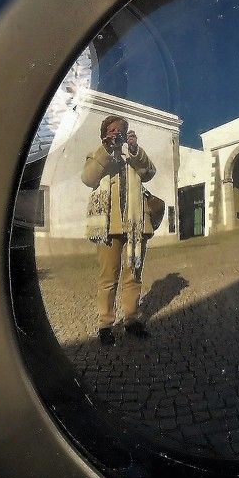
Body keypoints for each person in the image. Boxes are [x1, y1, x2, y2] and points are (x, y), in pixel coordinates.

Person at [82, 115, 156, 346]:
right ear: (104, 134)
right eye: (111, 130)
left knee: (133, 275)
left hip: (135, 224)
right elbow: (88, 178)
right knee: (108, 278)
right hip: (108, 226)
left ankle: (131, 319)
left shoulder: (132, 155)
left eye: (120, 130)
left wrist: (135, 150)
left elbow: (149, 173)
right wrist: (106, 151)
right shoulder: (97, 155)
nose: (116, 133)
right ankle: (105, 324)